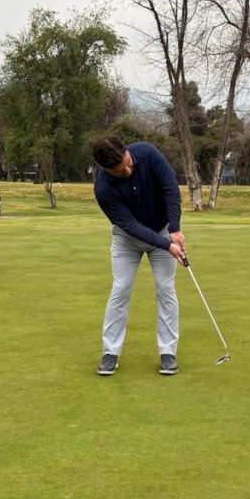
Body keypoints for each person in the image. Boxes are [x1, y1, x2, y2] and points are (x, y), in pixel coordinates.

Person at [92, 136, 186, 376]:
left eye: (127, 163)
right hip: (127, 239)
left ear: (127, 151)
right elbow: (131, 226)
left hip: (163, 229)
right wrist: (167, 245)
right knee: (120, 289)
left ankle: (168, 352)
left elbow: (170, 189)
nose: (127, 170)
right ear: (106, 170)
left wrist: (174, 228)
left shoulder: (147, 152)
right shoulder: (102, 188)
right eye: (119, 171)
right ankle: (110, 353)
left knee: (165, 289)